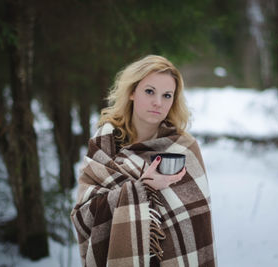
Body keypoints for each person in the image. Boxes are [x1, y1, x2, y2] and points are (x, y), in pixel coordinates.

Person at [71, 55, 216, 267]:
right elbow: (83, 214)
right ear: (131, 92)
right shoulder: (105, 144)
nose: (158, 102)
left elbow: (197, 222)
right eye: (149, 91)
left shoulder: (184, 148)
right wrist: (141, 188)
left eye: (167, 95)